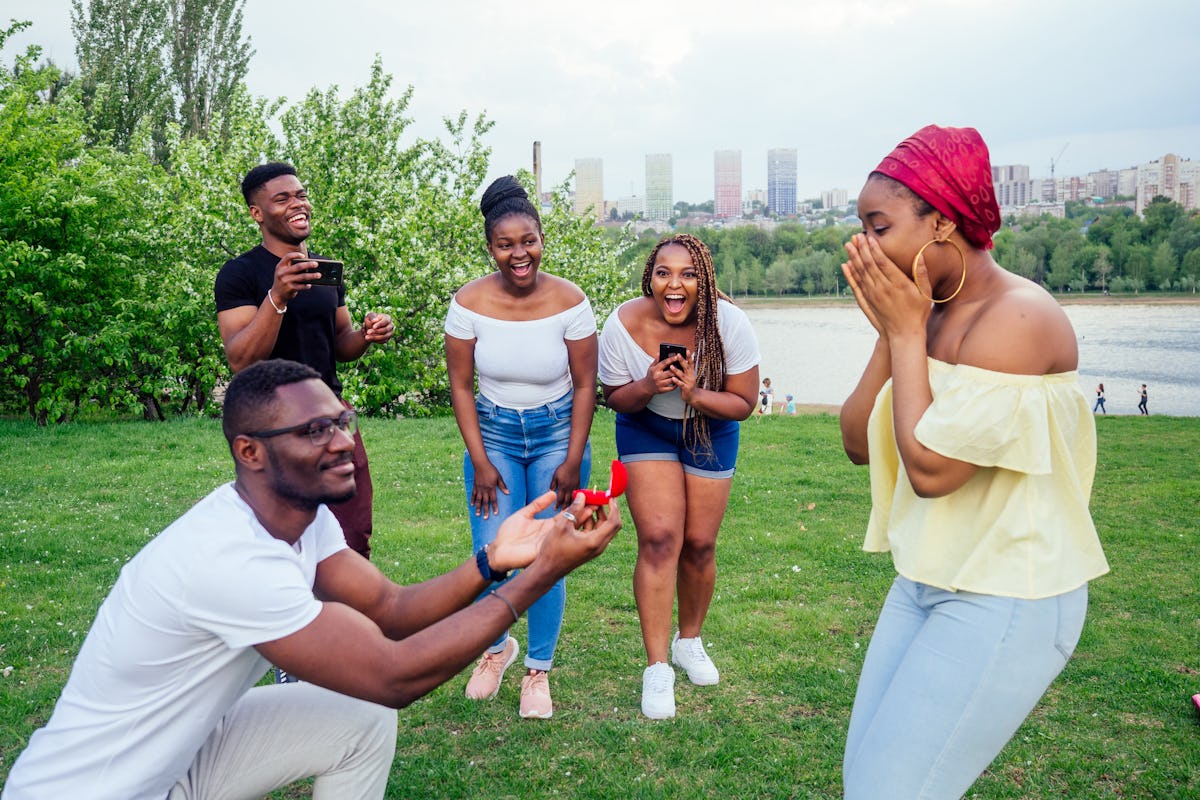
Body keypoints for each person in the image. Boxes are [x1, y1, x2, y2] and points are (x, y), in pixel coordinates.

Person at [2, 359, 620, 800]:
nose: (343, 443)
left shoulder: (302, 518)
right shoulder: (229, 559)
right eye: (314, 431)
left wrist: (496, 561)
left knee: (362, 721)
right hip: (92, 788)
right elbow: (392, 674)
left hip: (183, 764)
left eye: (342, 421)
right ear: (250, 452)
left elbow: (392, 608)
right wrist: (539, 576)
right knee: (376, 699)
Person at [838, 125, 1109, 799]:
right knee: (865, 782)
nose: (862, 247)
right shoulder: (926, 312)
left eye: (878, 226)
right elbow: (857, 441)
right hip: (926, 578)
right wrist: (892, 334)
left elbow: (932, 472)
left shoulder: (1020, 318)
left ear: (941, 222)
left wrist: (905, 330)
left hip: (1010, 591)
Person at [444, 175, 598, 719]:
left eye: (528, 241)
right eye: (506, 244)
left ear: (541, 238)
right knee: (494, 551)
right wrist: (481, 461)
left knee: (549, 553)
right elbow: (461, 386)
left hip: (559, 432)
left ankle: (538, 669)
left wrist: (573, 457)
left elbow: (586, 385)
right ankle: (494, 651)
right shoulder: (467, 303)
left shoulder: (571, 301)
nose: (519, 254)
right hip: (494, 435)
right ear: (491, 248)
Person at [598, 233, 760, 719]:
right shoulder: (622, 323)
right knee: (660, 540)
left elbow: (744, 403)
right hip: (646, 428)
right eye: (664, 272)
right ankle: (657, 667)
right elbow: (614, 398)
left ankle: (690, 640)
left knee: (699, 544)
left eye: (688, 274)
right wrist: (649, 384)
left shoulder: (728, 323)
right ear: (649, 277)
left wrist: (693, 394)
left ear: (704, 282)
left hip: (710, 427)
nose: (675, 284)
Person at [215, 161, 394, 560]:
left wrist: (367, 334)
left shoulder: (324, 270)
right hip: (275, 424)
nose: (298, 205)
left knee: (352, 536)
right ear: (257, 213)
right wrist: (276, 297)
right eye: (282, 199)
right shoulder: (239, 274)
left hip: (332, 415)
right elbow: (241, 359)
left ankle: (347, 620)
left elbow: (341, 345)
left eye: (301, 195)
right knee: (283, 542)